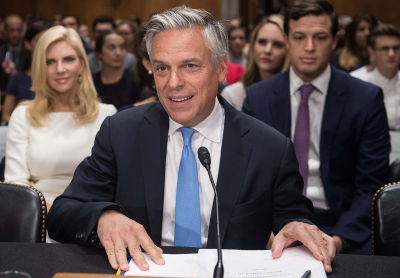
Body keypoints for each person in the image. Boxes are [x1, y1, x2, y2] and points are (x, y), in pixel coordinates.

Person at [48, 6, 335, 273]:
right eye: (162, 68)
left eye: (190, 66)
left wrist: (298, 228)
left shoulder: (268, 147)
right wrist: (104, 217)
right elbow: (63, 212)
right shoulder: (121, 132)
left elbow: (294, 219)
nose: (173, 82)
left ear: (221, 68)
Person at [243, 0, 390, 255]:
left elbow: (372, 186)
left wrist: (338, 239)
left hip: (342, 223)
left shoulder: (366, 99)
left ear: (335, 41)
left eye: (320, 38)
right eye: (300, 37)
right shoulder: (258, 97)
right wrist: (263, 231)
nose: (309, 47)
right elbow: (246, 178)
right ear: (287, 40)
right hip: (275, 225)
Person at [4, 25, 117, 213]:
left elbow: (115, 184)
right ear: (40, 67)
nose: (60, 69)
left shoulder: (107, 115)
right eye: (49, 62)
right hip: (37, 218)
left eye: (68, 59)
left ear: (81, 64)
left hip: (93, 217)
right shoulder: (23, 115)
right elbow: (16, 187)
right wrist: (56, 216)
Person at [221, 14, 290, 111]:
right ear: (253, 45)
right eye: (262, 42)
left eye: (277, 44)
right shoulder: (233, 95)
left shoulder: (296, 95)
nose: (267, 50)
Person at [1, 22, 48, 123]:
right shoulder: (17, 78)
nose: (44, 45)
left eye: (48, 41)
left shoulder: (57, 76)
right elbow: (5, 116)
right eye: (39, 41)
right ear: (27, 44)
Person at [92, 30, 150, 109]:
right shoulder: (91, 81)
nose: (118, 53)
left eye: (122, 47)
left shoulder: (136, 79)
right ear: (99, 53)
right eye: (111, 47)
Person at [356, 24, 400, 127]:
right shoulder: (357, 82)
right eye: (384, 48)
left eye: (396, 48)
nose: (391, 54)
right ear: (371, 52)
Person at [0, 14, 24, 92]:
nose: (15, 34)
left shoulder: (28, 52)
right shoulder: (1, 51)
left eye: (18, 30)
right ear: (5, 31)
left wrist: (14, 73)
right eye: (11, 30)